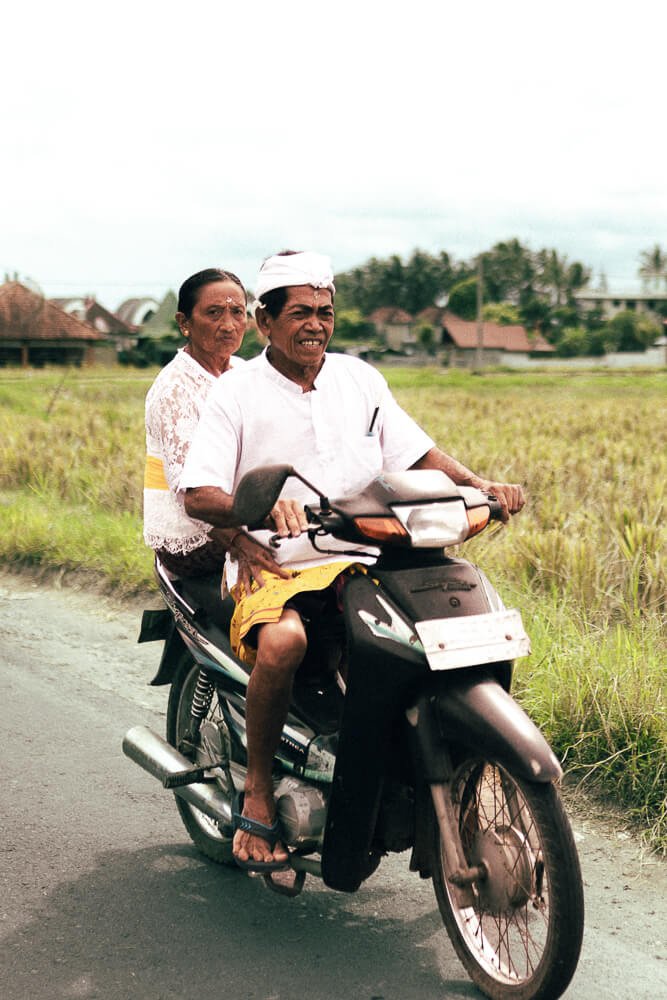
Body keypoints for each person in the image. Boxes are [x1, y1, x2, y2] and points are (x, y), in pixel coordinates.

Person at [180, 251, 525, 871]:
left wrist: (482, 487)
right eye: (301, 313)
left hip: (370, 550)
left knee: (442, 634)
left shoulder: (359, 379)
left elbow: (417, 452)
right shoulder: (237, 392)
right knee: (283, 645)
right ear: (265, 321)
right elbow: (197, 492)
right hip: (278, 558)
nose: (316, 324)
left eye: (325, 311)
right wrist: (256, 511)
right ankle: (258, 792)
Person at [143, 267, 283, 584]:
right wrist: (239, 541)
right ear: (184, 323)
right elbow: (189, 496)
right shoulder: (174, 391)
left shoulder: (242, 372)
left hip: (239, 512)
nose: (229, 325)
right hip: (196, 536)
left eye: (237, 312)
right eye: (214, 313)